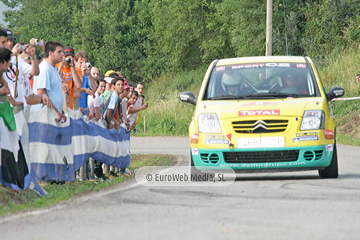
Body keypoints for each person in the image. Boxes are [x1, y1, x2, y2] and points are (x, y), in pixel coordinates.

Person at [31, 41, 65, 114]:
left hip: (53, 115)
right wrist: (56, 112)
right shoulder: (44, 68)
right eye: (59, 52)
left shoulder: (53, 67)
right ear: (51, 54)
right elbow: (41, 93)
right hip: (46, 116)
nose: (62, 54)